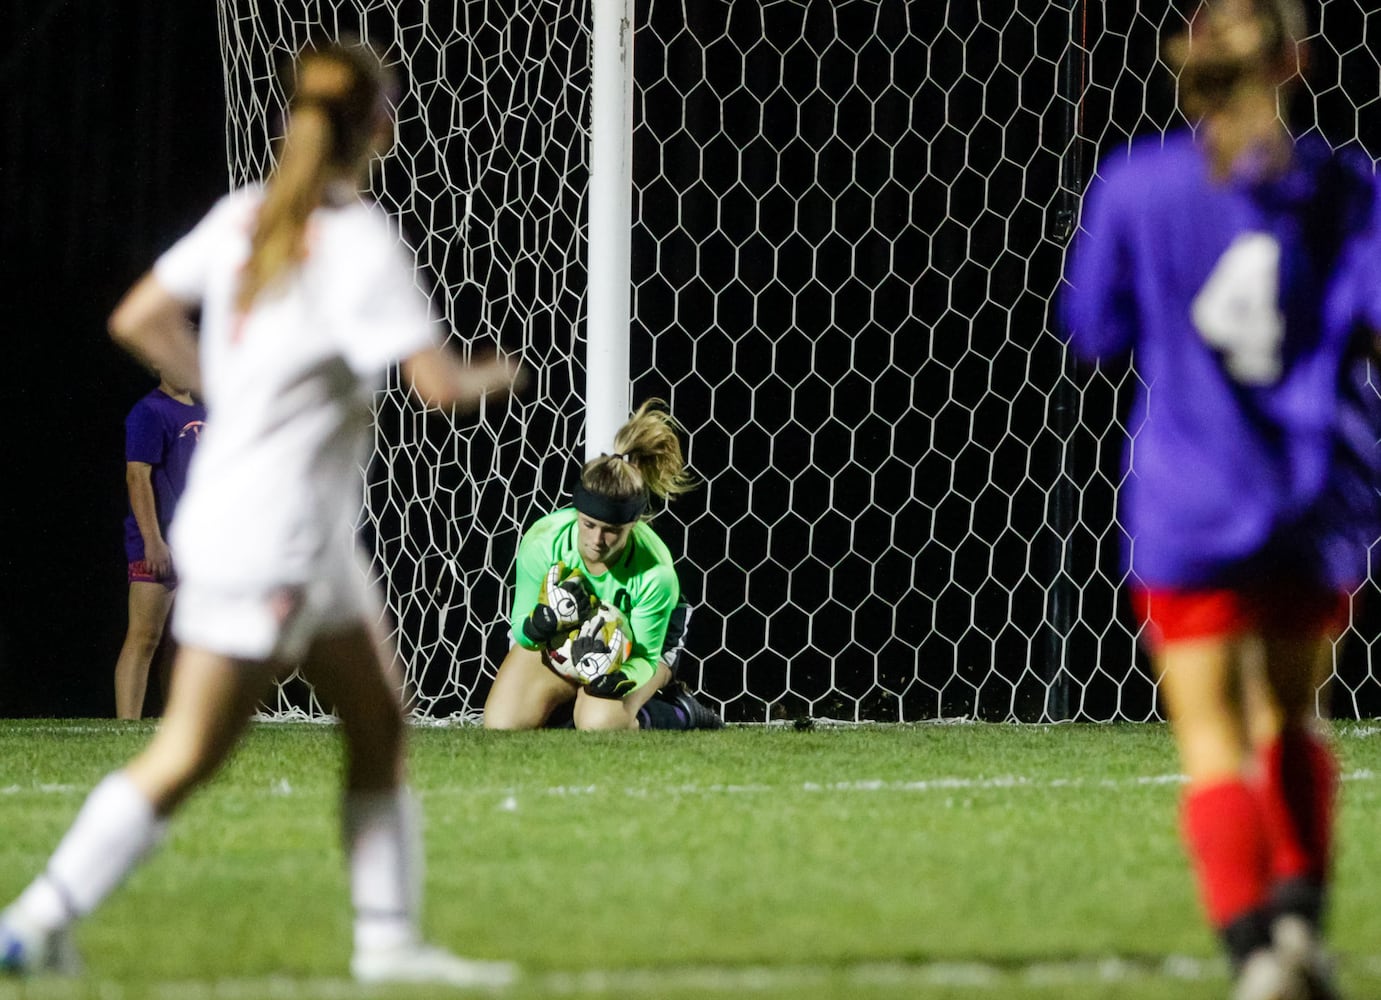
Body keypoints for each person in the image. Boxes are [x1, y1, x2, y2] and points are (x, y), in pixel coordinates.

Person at [0, 40, 522, 986]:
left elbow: (138, 319)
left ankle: (388, 942)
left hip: (290, 540)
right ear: (379, 126)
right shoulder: (360, 242)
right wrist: (501, 369)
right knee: (190, 753)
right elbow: (440, 389)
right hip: (277, 545)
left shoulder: (247, 215)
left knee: (379, 722)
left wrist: (227, 392)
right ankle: (34, 918)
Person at [1060, 2, 1381, 996]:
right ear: (1300, 61)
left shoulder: (1138, 185)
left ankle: (1254, 959)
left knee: (1212, 745)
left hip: (1188, 503)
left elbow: (1095, 328)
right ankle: (1298, 930)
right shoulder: (1342, 185)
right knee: (1292, 720)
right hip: (1309, 493)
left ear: (1191, 59)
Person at [483, 399, 723, 731]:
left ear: (633, 524)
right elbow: (523, 634)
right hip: (568, 642)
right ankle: (573, 706)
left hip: (638, 651)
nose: (596, 540)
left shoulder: (656, 573)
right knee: (503, 724)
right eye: (588, 524)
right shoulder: (543, 542)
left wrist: (620, 679)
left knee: (600, 724)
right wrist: (540, 624)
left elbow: (645, 657)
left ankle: (678, 710)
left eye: (611, 531)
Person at [114, 375, 205, 719]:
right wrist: (153, 541)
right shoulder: (150, 411)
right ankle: (125, 726)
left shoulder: (206, 410)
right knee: (145, 637)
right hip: (160, 541)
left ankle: (178, 725)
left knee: (187, 644)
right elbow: (137, 476)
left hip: (198, 544)